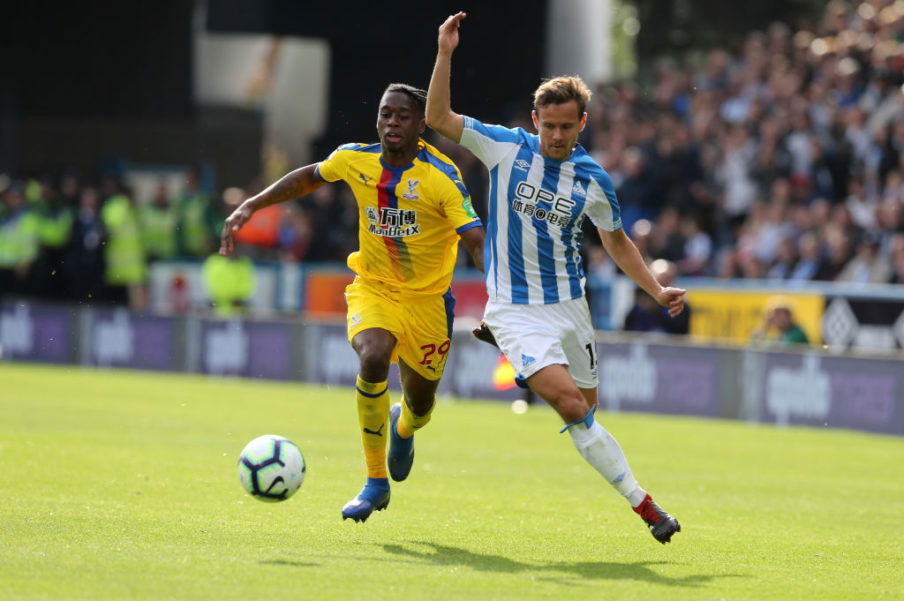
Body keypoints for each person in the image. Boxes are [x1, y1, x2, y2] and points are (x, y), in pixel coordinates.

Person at [427, 12, 685, 544]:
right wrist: (446, 53)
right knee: (570, 407)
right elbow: (438, 117)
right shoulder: (503, 146)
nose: (557, 135)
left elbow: (616, 240)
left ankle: (515, 354)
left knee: (588, 415)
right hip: (514, 306)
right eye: (549, 126)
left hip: (570, 308)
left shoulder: (594, 180)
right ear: (534, 119)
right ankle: (649, 509)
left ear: (582, 124)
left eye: (568, 126)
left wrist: (655, 289)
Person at [220, 83, 485, 523]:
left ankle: (405, 428)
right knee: (374, 355)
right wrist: (253, 203)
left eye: (402, 116)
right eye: (385, 114)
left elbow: (475, 239)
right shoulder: (353, 158)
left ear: (421, 126)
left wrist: (499, 298)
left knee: (420, 407)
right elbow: (310, 176)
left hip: (428, 303)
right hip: (374, 287)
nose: (392, 122)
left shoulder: (442, 176)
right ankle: (375, 481)